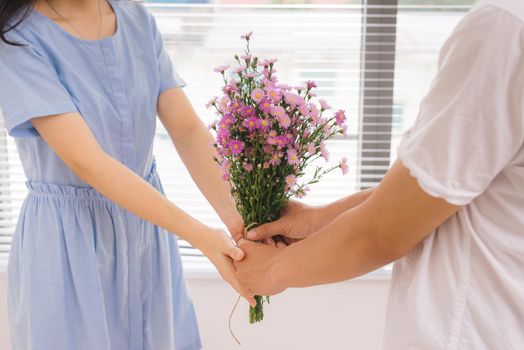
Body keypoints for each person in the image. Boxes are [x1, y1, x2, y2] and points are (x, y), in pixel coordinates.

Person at [234, 0, 524, 348]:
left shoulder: (504, 28)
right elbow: (437, 191)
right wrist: (322, 219)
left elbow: (379, 234)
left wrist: (271, 270)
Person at [0, 0, 255, 349]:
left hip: (146, 235)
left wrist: (241, 220)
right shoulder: (18, 39)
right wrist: (201, 236)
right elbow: (89, 162)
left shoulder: (136, 19)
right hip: (68, 245)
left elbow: (187, 131)